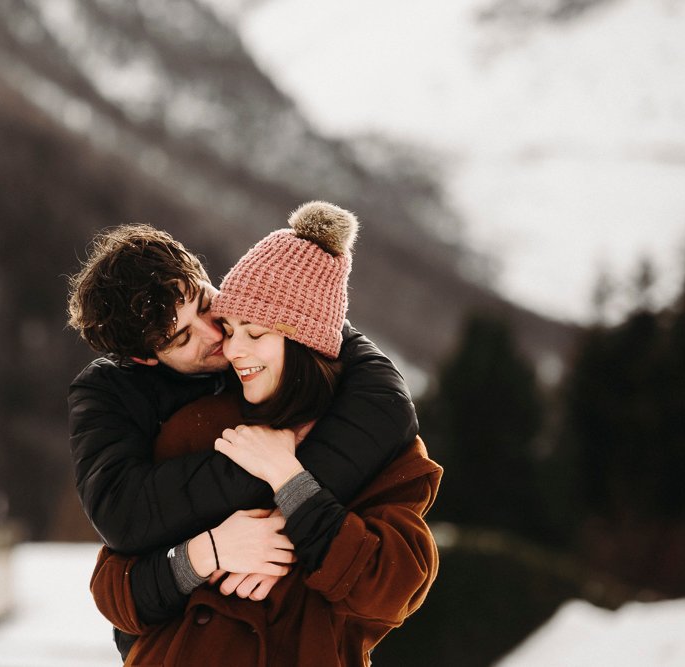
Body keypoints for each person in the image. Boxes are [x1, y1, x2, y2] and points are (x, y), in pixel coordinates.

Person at [88, 202, 442, 665]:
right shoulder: (200, 424)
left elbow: (394, 588)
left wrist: (294, 489)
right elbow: (114, 588)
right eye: (232, 327)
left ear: (305, 340)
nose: (228, 346)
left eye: (254, 333)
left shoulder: (384, 450)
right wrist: (205, 555)